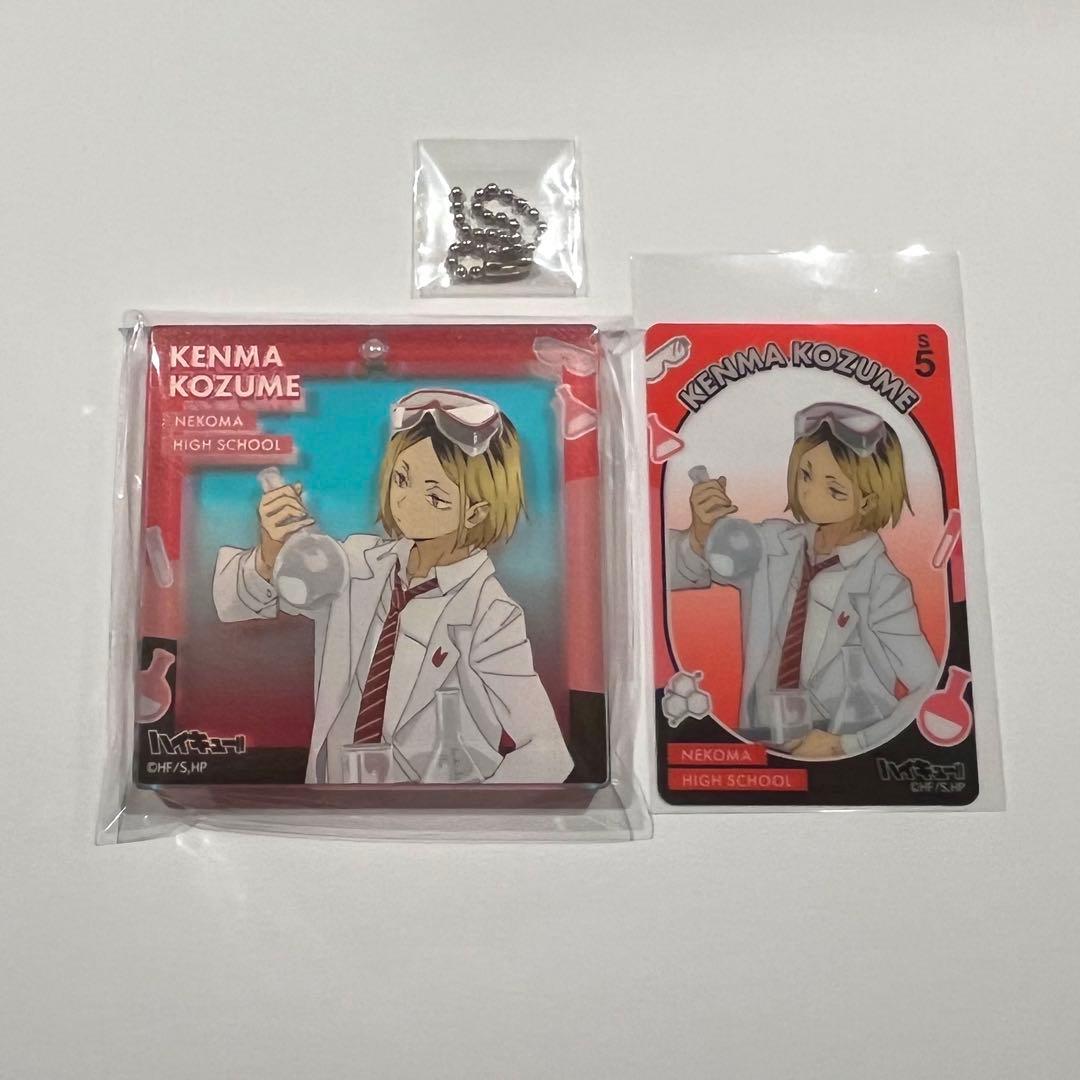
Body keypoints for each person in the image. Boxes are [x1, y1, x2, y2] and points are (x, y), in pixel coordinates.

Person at [214, 388, 573, 785]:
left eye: (435, 496)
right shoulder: (356, 564)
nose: (406, 502)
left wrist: (467, 810)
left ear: (476, 511)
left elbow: (547, 752)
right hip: (333, 799)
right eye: (402, 480)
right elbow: (239, 601)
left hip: (428, 812)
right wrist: (270, 556)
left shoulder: (490, 614)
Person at [668, 401, 939, 757]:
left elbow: (930, 687)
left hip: (838, 743)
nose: (809, 494)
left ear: (867, 501)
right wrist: (701, 537)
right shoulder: (773, 544)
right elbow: (674, 570)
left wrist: (847, 744)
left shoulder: (884, 586)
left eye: (834, 489)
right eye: (805, 475)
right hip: (760, 736)